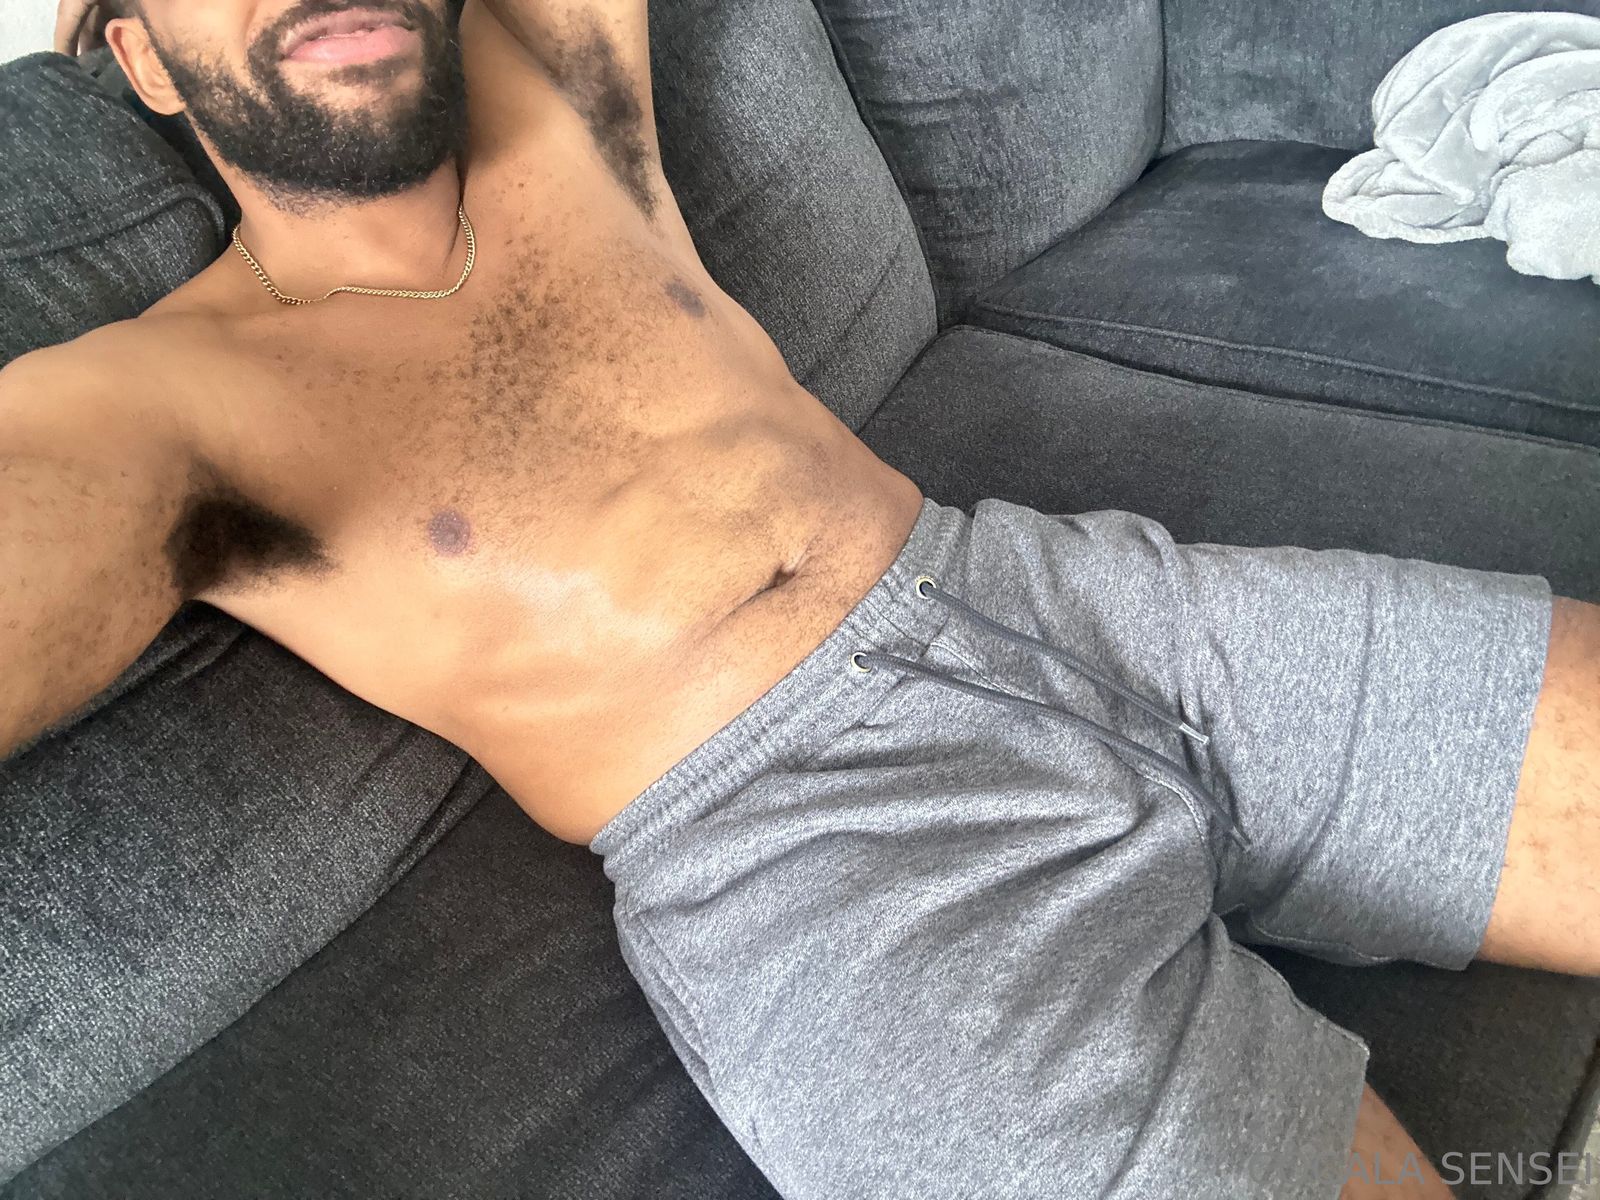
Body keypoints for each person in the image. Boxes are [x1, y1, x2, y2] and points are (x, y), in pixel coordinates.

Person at [9, 1, 1597, 1195]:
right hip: (824, 867)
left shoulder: (534, 68)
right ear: (141, 57)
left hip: (1061, 596)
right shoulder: (152, 402)